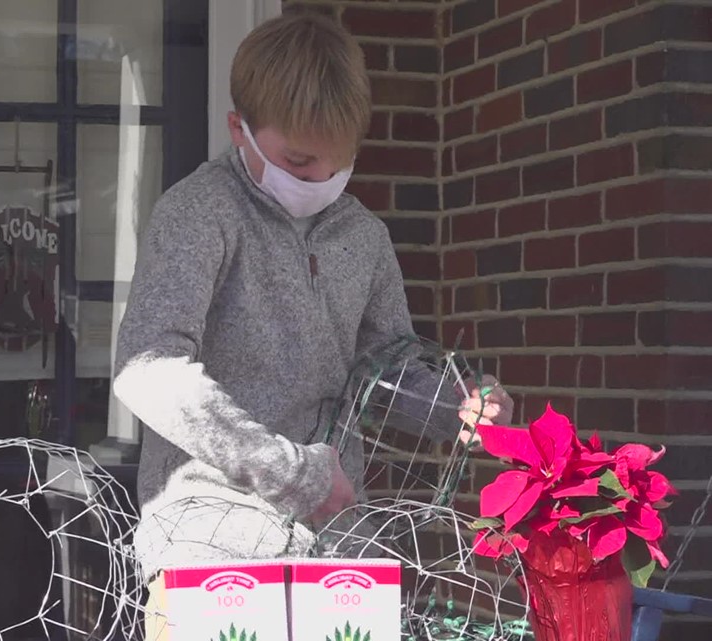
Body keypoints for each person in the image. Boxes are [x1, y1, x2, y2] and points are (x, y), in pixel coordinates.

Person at [109, 10, 514, 640]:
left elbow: (387, 366)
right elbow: (148, 371)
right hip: (211, 545)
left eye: (338, 162)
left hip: (340, 549)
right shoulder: (198, 213)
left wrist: (456, 404)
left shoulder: (365, 236)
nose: (320, 179)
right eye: (299, 162)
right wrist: (292, 472)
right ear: (238, 129)